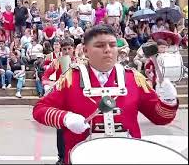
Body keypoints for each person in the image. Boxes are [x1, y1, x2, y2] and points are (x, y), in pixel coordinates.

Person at [33, 25, 179, 164]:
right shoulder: (71, 78)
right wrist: (66, 118)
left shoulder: (133, 78)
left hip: (128, 157)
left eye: (112, 45)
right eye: (100, 46)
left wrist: (169, 100)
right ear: (85, 50)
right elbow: (39, 109)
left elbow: (161, 117)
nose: (108, 50)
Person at [41, 39, 76, 164]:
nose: (67, 51)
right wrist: (50, 84)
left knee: (78, 130)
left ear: (74, 49)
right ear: (61, 50)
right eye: (64, 49)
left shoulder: (81, 63)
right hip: (62, 100)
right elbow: (44, 77)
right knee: (61, 130)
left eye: (69, 49)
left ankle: (75, 156)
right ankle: (61, 157)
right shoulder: (56, 62)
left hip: (77, 100)